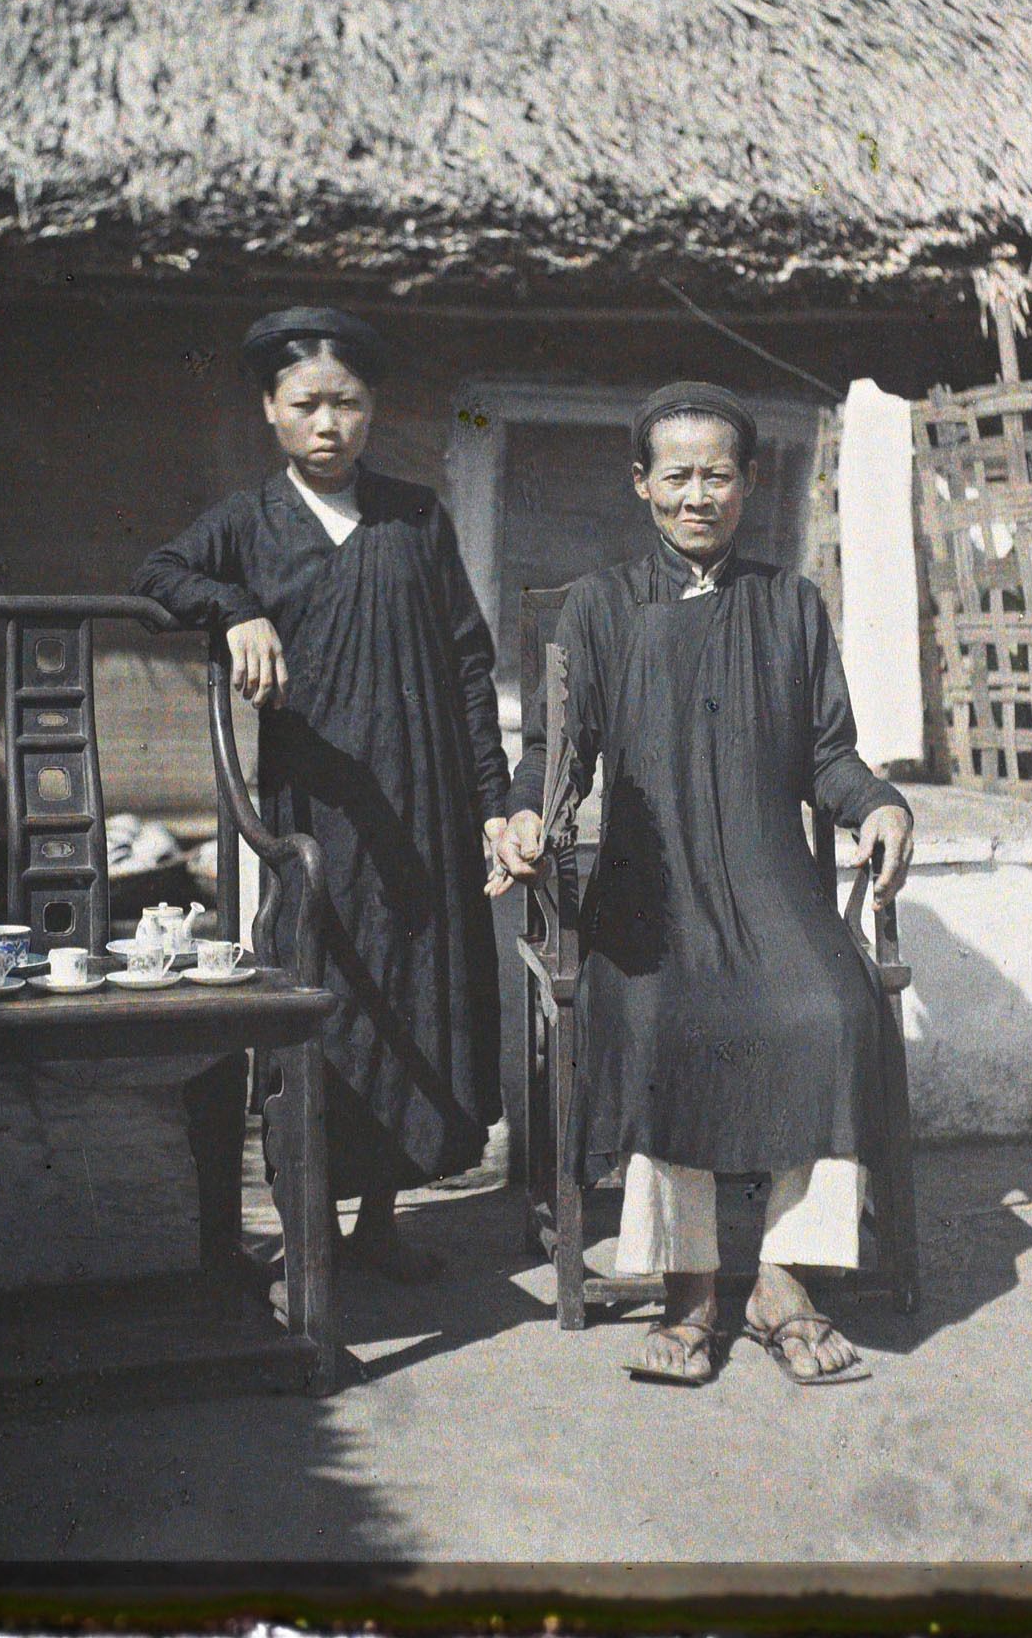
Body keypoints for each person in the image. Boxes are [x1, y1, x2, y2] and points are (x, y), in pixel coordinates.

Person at [489, 381, 915, 1385]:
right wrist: (522, 817)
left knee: (832, 1010)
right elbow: (552, 755)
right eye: (675, 475)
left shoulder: (790, 604)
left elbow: (828, 754)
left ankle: (782, 1277)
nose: (696, 496)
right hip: (651, 896)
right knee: (657, 1019)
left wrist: (879, 804)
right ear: (640, 483)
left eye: (716, 475)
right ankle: (687, 1287)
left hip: (770, 888)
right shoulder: (599, 607)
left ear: (749, 482)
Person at [132, 305, 510, 1283]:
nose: (328, 423)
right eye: (305, 404)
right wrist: (235, 606)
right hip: (317, 809)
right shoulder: (247, 522)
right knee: (328, 998)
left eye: (346, 402)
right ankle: (312, 1226)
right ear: (270, 408)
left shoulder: (415, 515)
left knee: (415, 997)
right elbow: (159, 572)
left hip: (423, 801)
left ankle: (379, 1222)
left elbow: (470, 663)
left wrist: (492, 800)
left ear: (371, 407)